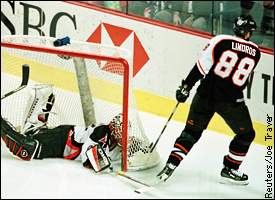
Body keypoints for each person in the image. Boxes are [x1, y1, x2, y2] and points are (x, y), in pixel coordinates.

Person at [157, 15, 261, 185]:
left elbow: (201, 67)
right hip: (231, 101)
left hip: (205, 95)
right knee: (246, 134)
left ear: (235, 28)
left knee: (191, 132)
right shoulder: (256, 52)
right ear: (249, 33)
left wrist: (186, 87)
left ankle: (171, 164)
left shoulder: (221, 40)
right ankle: (230, 168)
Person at [1, 84, 125, 173]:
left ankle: (37, 109)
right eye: (121, 131)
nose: (122, 135)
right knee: (27, 149)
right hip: (63, 139)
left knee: (32, 136)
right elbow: (87, 155)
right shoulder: (102, 131)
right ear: (114, 129)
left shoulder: (116, 147)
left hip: (63, 141)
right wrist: (104, 163)